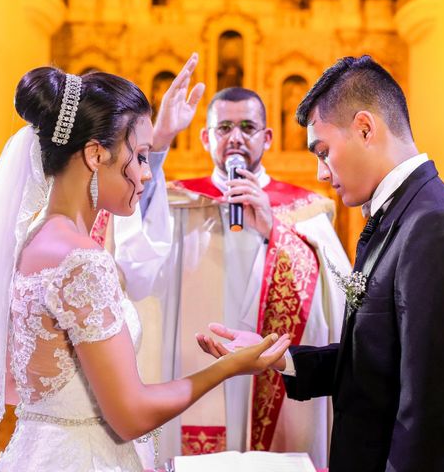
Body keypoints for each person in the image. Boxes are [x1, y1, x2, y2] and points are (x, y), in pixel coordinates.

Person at [0, 54, 291, 472]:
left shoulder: (31, 239)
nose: (147, 173)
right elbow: (131, 414)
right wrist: (228, 368)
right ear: (95, 155)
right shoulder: (82, 261)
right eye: (139, 156)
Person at [197, 55, 444, 472]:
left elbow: (433, 421)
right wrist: (275, 356)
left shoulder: (440, 229)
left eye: (324, 151)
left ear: (364, 128)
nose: (321, 173)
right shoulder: (402, 215)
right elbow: (379, 359)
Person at [114, 87, 350, 467]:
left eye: (247, 127)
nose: (235, 137)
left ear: (267, 137)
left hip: (272, 376)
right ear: (206, 137)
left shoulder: (304, 210)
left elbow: (334, 300)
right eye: (223, 128)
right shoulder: (175, 204)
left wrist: (276, 232)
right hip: (193, 366)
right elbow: (135, 257)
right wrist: (158, 140)